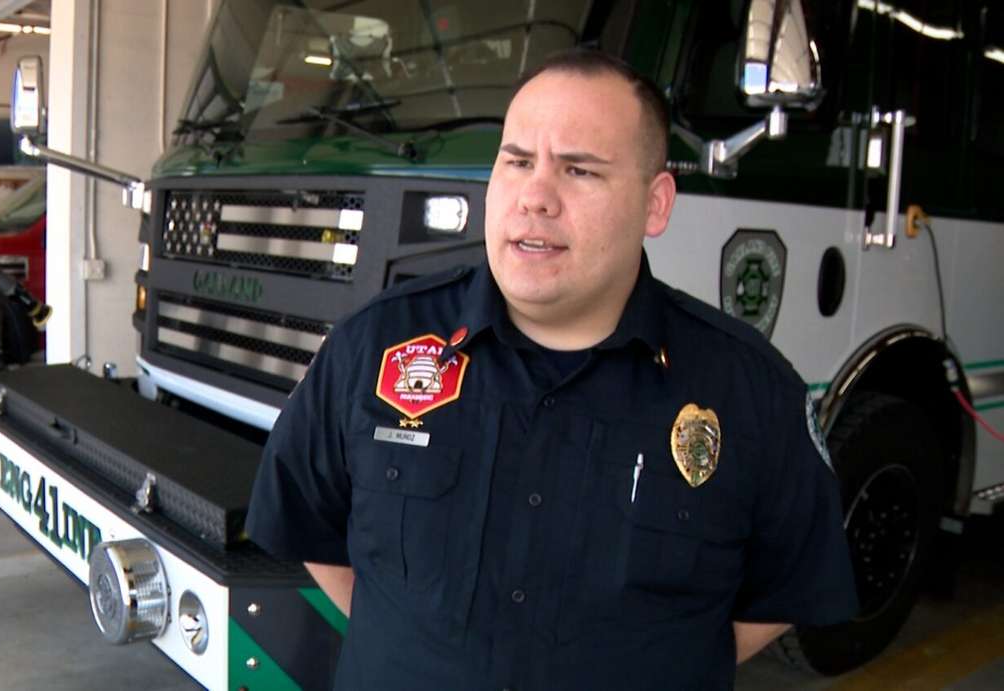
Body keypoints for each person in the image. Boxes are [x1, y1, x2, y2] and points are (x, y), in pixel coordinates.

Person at [245, 47, 858, 690]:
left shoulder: (748, 390)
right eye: (516, 162)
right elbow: (308, 522)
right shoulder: (374, 347)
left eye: (579, 171)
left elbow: (788, 587)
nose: (535, 196)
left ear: (655, 204)